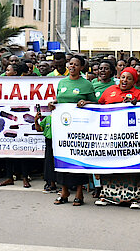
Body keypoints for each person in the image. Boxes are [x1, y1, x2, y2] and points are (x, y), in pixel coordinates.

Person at [83, 67, 140, 208]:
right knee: (110, 165)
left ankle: (135, 199)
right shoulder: (110, 90)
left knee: (130, 168)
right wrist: (86, 103)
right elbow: (99, 106)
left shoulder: (139, 94)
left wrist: (136, 104)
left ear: (134, 81)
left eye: (129, 78)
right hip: (110, 137)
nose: (125, 80)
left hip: (129, 139)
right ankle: (106, 196)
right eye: (123, 77)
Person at [51, 55, 97, 206]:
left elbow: (96, 104)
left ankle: (79, 193)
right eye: (70, 64)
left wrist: (86, 102)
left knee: (78, 159)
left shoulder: (86, 84)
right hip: (63, 128)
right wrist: (54, 103)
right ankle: (64, 192)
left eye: (76, 65)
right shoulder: (62, 82)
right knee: (62, 158)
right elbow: (60, 100)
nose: (72, 67)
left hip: (80, 129)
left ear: (81, 67)